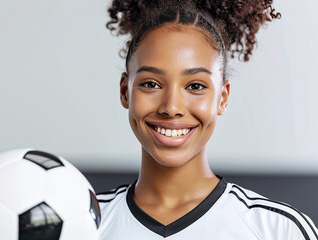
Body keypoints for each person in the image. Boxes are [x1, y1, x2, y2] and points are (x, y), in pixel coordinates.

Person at [96, 0, 318, 239]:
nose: (171, 107)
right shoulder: (83, 221)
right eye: (151, 84)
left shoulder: (278, 230)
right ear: (124, 91)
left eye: (195, 86)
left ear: (222, 98)